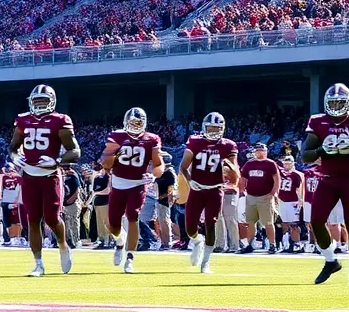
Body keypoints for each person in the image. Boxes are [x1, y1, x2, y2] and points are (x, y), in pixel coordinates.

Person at [302, 83, 349, 285]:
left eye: (340, 102)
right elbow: (305, 156)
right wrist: (321, 151)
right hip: (327, 179)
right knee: (316, 222)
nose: (336, 106)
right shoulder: (318, 121)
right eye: (333, 102)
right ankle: (330, 260)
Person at [10, 84, 80, 277]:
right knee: (32, 220)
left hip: (50, 175)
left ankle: (63, 245)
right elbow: (13, 147)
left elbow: (75, 151)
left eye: (44, 101)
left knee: (52, 218)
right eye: (37, 101)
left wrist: (57, 161)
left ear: (52, 102)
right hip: (29, 176)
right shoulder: (23, 120)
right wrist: (15, 157)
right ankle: (38, 263)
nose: (40, 105)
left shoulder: (60, 120)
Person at [101, 107, 165, 274]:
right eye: (132, 123)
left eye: (139, 123)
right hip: (118, 183)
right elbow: (105, 163)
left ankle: (130, 258)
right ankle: (120, 241)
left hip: (138, 184)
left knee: (133, 215)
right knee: (112, 224)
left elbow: (158, 164)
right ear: (126, 122)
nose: (135, 126)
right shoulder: (117, 136)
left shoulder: (151, 139)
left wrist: (154, 175)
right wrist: (114, 156)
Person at [179, 112, 237, 273]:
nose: (213, 131)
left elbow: (235, 174)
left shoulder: (228, 145)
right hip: (197, 189)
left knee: (210, 224)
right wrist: (191, 182)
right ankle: (197, 241)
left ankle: (206, 262)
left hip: (215, 190)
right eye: (210, 128)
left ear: (222, 129)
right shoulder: (195, 141)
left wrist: (229, 168)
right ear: (204, 127)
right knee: (190, 227)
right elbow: (183, 166)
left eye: (216, 128)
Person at [239, 142, 280, 254]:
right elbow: (243, 177)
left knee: (268, 222)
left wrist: (273, 193)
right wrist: (242, 190)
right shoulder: (249, 164)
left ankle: (272, 245)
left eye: (261, 150)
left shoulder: (270, 164)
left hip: (265, 196)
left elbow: (277, 179)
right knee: (250, 222)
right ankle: (250, 244)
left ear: (265, 151)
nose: (258, 152)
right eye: (257, 150)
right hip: (251, 196)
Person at [278, 155, 306, 253]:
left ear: (292, 163)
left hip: (293, 201)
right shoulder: (280, 173)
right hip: (282, 200)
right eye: (285, 162)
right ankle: (287, 244)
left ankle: (297, 243)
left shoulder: (297, 175)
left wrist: (300, 201)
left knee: (294, 224)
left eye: (288, 163)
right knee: (284, 223)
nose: (286, 164)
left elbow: (299, 189)